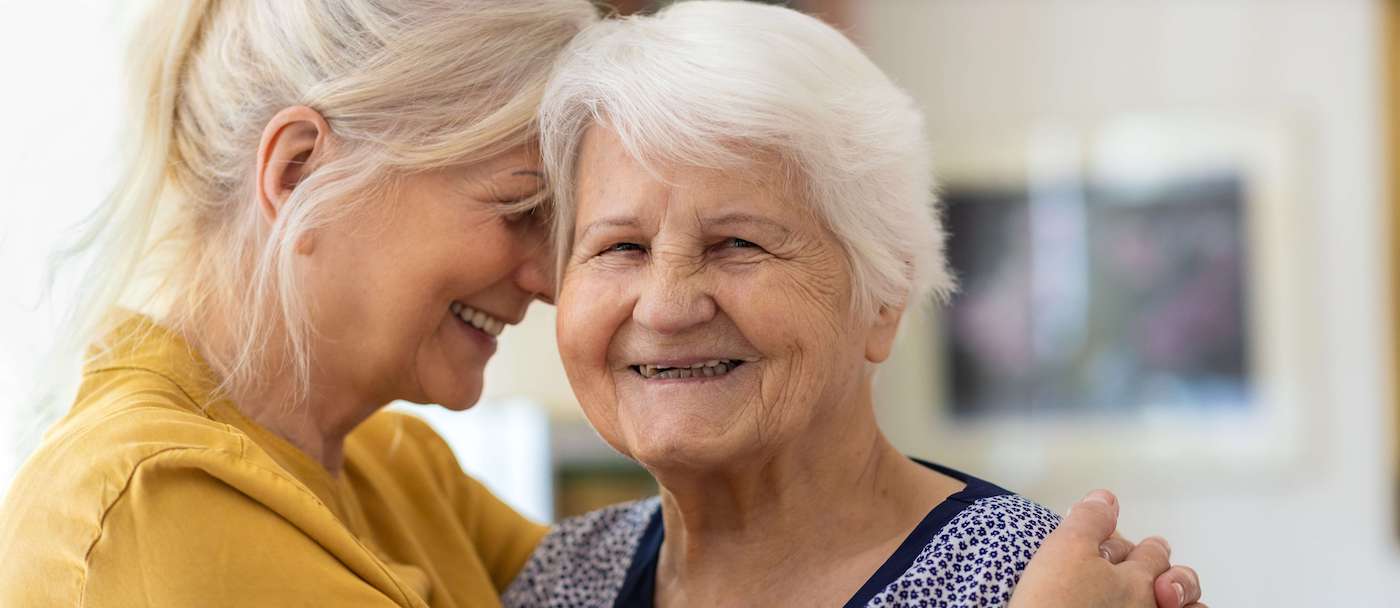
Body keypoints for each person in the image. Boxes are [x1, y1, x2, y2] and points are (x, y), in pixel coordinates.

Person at [0, 0, 1199, 606]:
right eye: (566, 227)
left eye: (739, 241)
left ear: (883, 295)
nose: (548, 276)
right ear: (302, 170)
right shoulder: (148, 514)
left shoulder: (402, 479)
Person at [504, 3, 1204, 607]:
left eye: (738, 243)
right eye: (622, 247)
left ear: (884, 299)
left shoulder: (1045, 584)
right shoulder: (563, 579)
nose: (665, 307)